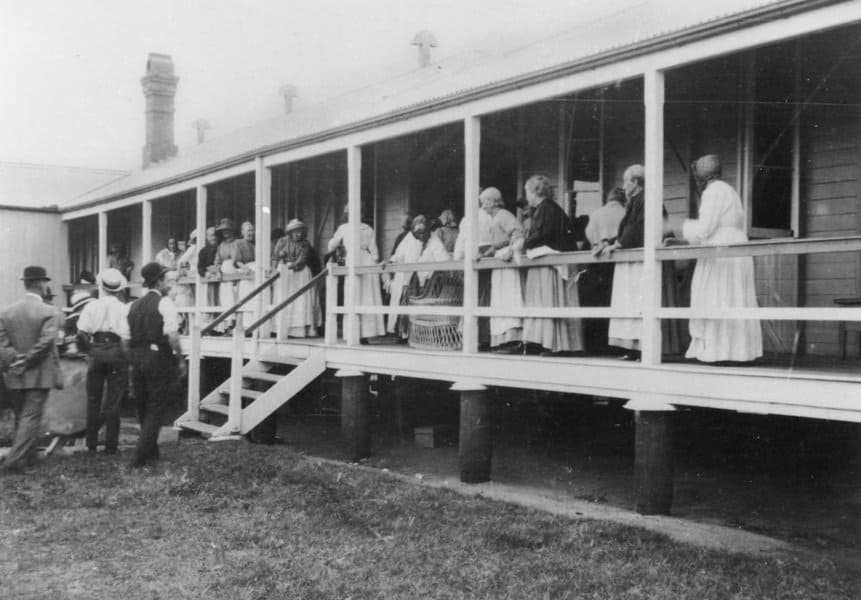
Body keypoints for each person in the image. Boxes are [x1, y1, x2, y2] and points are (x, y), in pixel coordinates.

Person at [666, 155, 763, 363]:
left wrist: (681, 229)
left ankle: (718, 351)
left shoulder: (712, 192)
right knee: (733, 295)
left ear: (701, 177)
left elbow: (705, 228)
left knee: (715, 295)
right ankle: (736, 351)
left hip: (721, 251)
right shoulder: (729, 190)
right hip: (735, 247)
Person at [596, 165, 682, 360]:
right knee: (633, 304)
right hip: (636, 261)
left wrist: (618, 244)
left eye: (626, 182)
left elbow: (639, 228)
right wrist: (608, 243)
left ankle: (643, 349)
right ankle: (633, 348)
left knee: (641, 303)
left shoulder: (646, 199)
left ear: (635, 182)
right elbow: (627, 229)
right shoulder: (636, 201)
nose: (624, 186)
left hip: (644, 263)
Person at [0, 266, 63, 473]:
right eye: (46, 283)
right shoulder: (50, 311)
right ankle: (13, 462)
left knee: (22, 416)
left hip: (15, 373)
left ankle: (29, 458)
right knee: (31, 417)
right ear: (40, 284)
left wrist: (16, 359)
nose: (47, 287)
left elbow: (2, 342)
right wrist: (27, 360)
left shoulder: (7, 312)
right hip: (39, 373)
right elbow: (46, 342)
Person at [127, 262, 186, 468]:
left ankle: (152, 454)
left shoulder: (133, 305)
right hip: (157, 358)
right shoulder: (165, 303)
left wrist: (132, 360)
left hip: (137, 357)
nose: (168, 284)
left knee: (143, 407)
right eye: (165, 280)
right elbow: (172, 335)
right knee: (155, 408)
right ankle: (138, 458)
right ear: (159, 281)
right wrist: (179, 358)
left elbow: (126, 339)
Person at [521, 174, 582, 355]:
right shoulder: (548, 208)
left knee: (551, 302)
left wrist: (522, 244)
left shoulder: (545, 208)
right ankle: (554, 343)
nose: (527, 197)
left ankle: (555, 344)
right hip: (553, 263)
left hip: (552, 264)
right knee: (551, 302)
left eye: (527, 193)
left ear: (535, 192)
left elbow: (542, 235)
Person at [76, 268, 130, 454]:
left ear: (102, 287)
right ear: (118, 289)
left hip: (96, 349)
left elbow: (81, 334)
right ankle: (110, 446)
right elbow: (125, 338)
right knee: (113, 401)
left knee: (93, 399)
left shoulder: (91, 307)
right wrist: (125, 358)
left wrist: (91, 350)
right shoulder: (124, 308)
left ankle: (91, 444)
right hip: (116, 350)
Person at [328, 206, 386, 339]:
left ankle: (358, 333)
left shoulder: (346, 228)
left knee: (358, 296)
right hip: (366, 260)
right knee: (364, 297)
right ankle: (364, 333)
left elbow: (330, 246)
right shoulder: (365, 229)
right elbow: (375, 253)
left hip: (355, 261)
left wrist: (338, 241)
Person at [581, 188, 627, 354]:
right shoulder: (625, 212)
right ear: (623, 200)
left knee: (598, 301)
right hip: (620, 263)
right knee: (616, 301)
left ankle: (596, 345)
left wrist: (596, 243)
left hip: (599, 261)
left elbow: (589, 234)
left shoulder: (597, 214)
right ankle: (615, 346)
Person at [479, 187, 524, 353]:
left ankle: (513, 341)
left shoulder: (504, 215)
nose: (482, 206)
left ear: (492, 201)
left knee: (509, 299)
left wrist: (510, 249)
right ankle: (502, 340)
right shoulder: (494, 218)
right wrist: (490, 250)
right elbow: (500, 240)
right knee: (499, 301)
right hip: (499, 262)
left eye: (484, 202)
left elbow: (518, 233)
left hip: (507, 263)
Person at [272, 219, 321, 338]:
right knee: (284, 298)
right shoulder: (282, 241)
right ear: (290, 232)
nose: (298, 234)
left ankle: (299, 330)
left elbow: (302, 259)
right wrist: (274, 269)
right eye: (295, 231)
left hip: (300, 273)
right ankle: (283, 328)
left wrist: (290, 266)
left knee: (299, 301)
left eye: (300, 231)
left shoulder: (305, 244)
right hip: (284, 273)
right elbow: (275, 257)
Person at [385, 215, 426, 337]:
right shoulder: (407, 238)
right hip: (404, 276)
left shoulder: (427, 239)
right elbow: (398, 254)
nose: (419, 233)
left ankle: (413, 333)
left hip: (418, 276)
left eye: (422, 230)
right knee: (401, 302)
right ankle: (402, 333)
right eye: (417, 229)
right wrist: (390, 261)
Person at [197, 226, 221, 325]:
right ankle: (211, 326)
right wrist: (206, 272)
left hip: (221, 281)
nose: (213, 238)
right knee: (210, 303)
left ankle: (221, 328)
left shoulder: (221, 247)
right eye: (211, 235)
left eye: (215, 235)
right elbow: (200, 268)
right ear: (207, 237)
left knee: (221, 302)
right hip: (210, 282)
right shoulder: (203, 251)